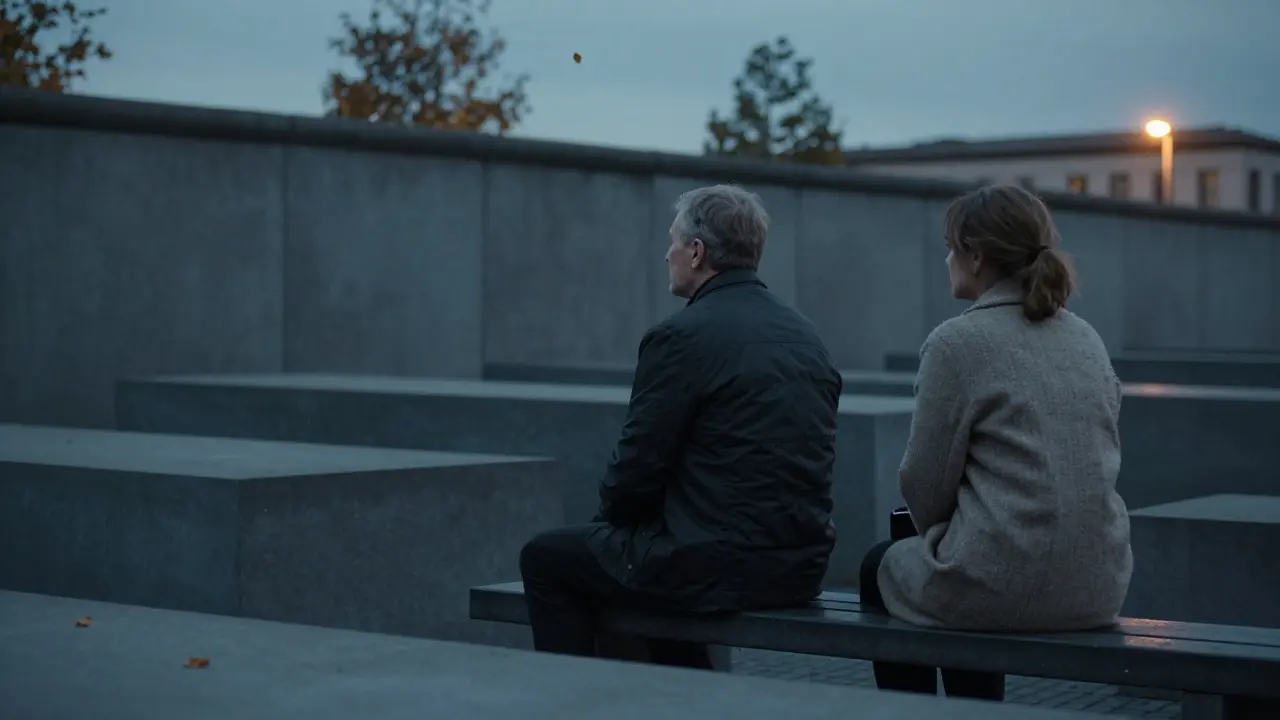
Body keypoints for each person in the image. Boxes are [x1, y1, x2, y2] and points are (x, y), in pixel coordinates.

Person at [519, 184, 843, 667]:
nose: (666, 254)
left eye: (672, 242)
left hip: (714, 568)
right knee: (649, 559)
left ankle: (572, 701)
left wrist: (611, 525)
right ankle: (687, 697)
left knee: (546, 557)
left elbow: (635, 471)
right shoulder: (805, 334)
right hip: (800, 567)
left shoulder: (680, 337)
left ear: (697, 252)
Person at [859, 184, 1132, 700]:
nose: (946, 260)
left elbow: (924, 482)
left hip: (1004, 585)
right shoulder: (1085, 338)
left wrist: (943, 531)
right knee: (970, 559)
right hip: (1099, 585)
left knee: (882, 564)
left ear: (976, 255)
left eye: (950, 248)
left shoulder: (956, 343)